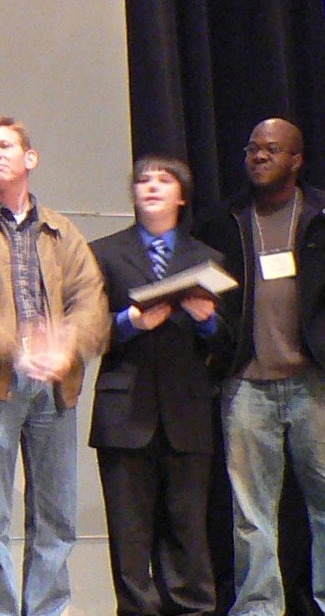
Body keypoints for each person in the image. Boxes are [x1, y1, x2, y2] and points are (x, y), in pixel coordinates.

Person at [197, 117, 325, 616]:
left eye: (271, 149)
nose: (258, 157)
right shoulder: (226, 219)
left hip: (317, 382)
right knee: (251, 512)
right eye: (252, 149)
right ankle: (259, 607)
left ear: (296, 159)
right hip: (247, 384)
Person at [0, 116, 110, 616]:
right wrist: (21, 350)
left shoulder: (63, 232)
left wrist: (64, 348)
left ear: (30, 158)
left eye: (5, 145)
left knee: (55, 516)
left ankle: (46, 612)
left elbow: (92, 302)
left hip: (55, 387)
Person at [87, 156, 227, 616]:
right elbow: (87, 332)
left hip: (186, 410)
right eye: (143, 180)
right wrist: (130, 320)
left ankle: (193, 609)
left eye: (163, 181)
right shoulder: (104, 252)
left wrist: (207, 322)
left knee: (187, 528)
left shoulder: (206, 257)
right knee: (129, 533)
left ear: (181, 196)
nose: (151, 187)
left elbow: (228, 342)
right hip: (125, 409)